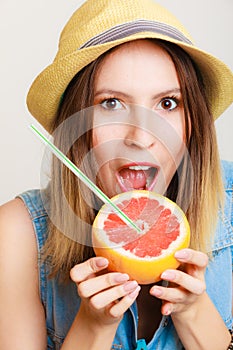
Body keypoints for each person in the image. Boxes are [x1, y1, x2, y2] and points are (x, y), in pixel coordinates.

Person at [0, 0, 233, 349]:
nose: (141, 137)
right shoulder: (17, 234)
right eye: (111, 103)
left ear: (191, 122)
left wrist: (195, 312)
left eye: (167, 103)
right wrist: (93, 328)